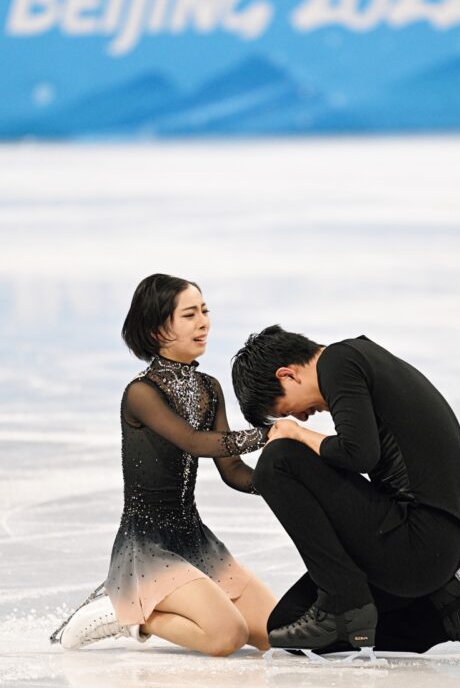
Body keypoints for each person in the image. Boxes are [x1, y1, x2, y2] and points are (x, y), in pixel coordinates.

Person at [230, 325, 460, 660]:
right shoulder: (360, 360)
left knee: (278, 460)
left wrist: (296, 433)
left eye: (285, 409)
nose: (300, 415)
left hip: (420, 542)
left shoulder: (339, 361)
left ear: (287, 375)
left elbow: (359, 454)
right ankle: (442, 616)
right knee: (286, 628)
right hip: (431, 549)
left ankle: (343, 601)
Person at [51, 274, 276, 655]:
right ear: (158, 330)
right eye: (189, 314)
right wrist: (265, 435)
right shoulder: (141, 393)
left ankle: (148, 606)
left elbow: (232, 470)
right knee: (227, 637)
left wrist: (287, 482)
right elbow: (193, 442)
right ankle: (128, 615)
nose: (203, 322)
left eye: (205, 311)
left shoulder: (209, 387)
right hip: (147, 546)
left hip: (194, 539)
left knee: (272, 633)